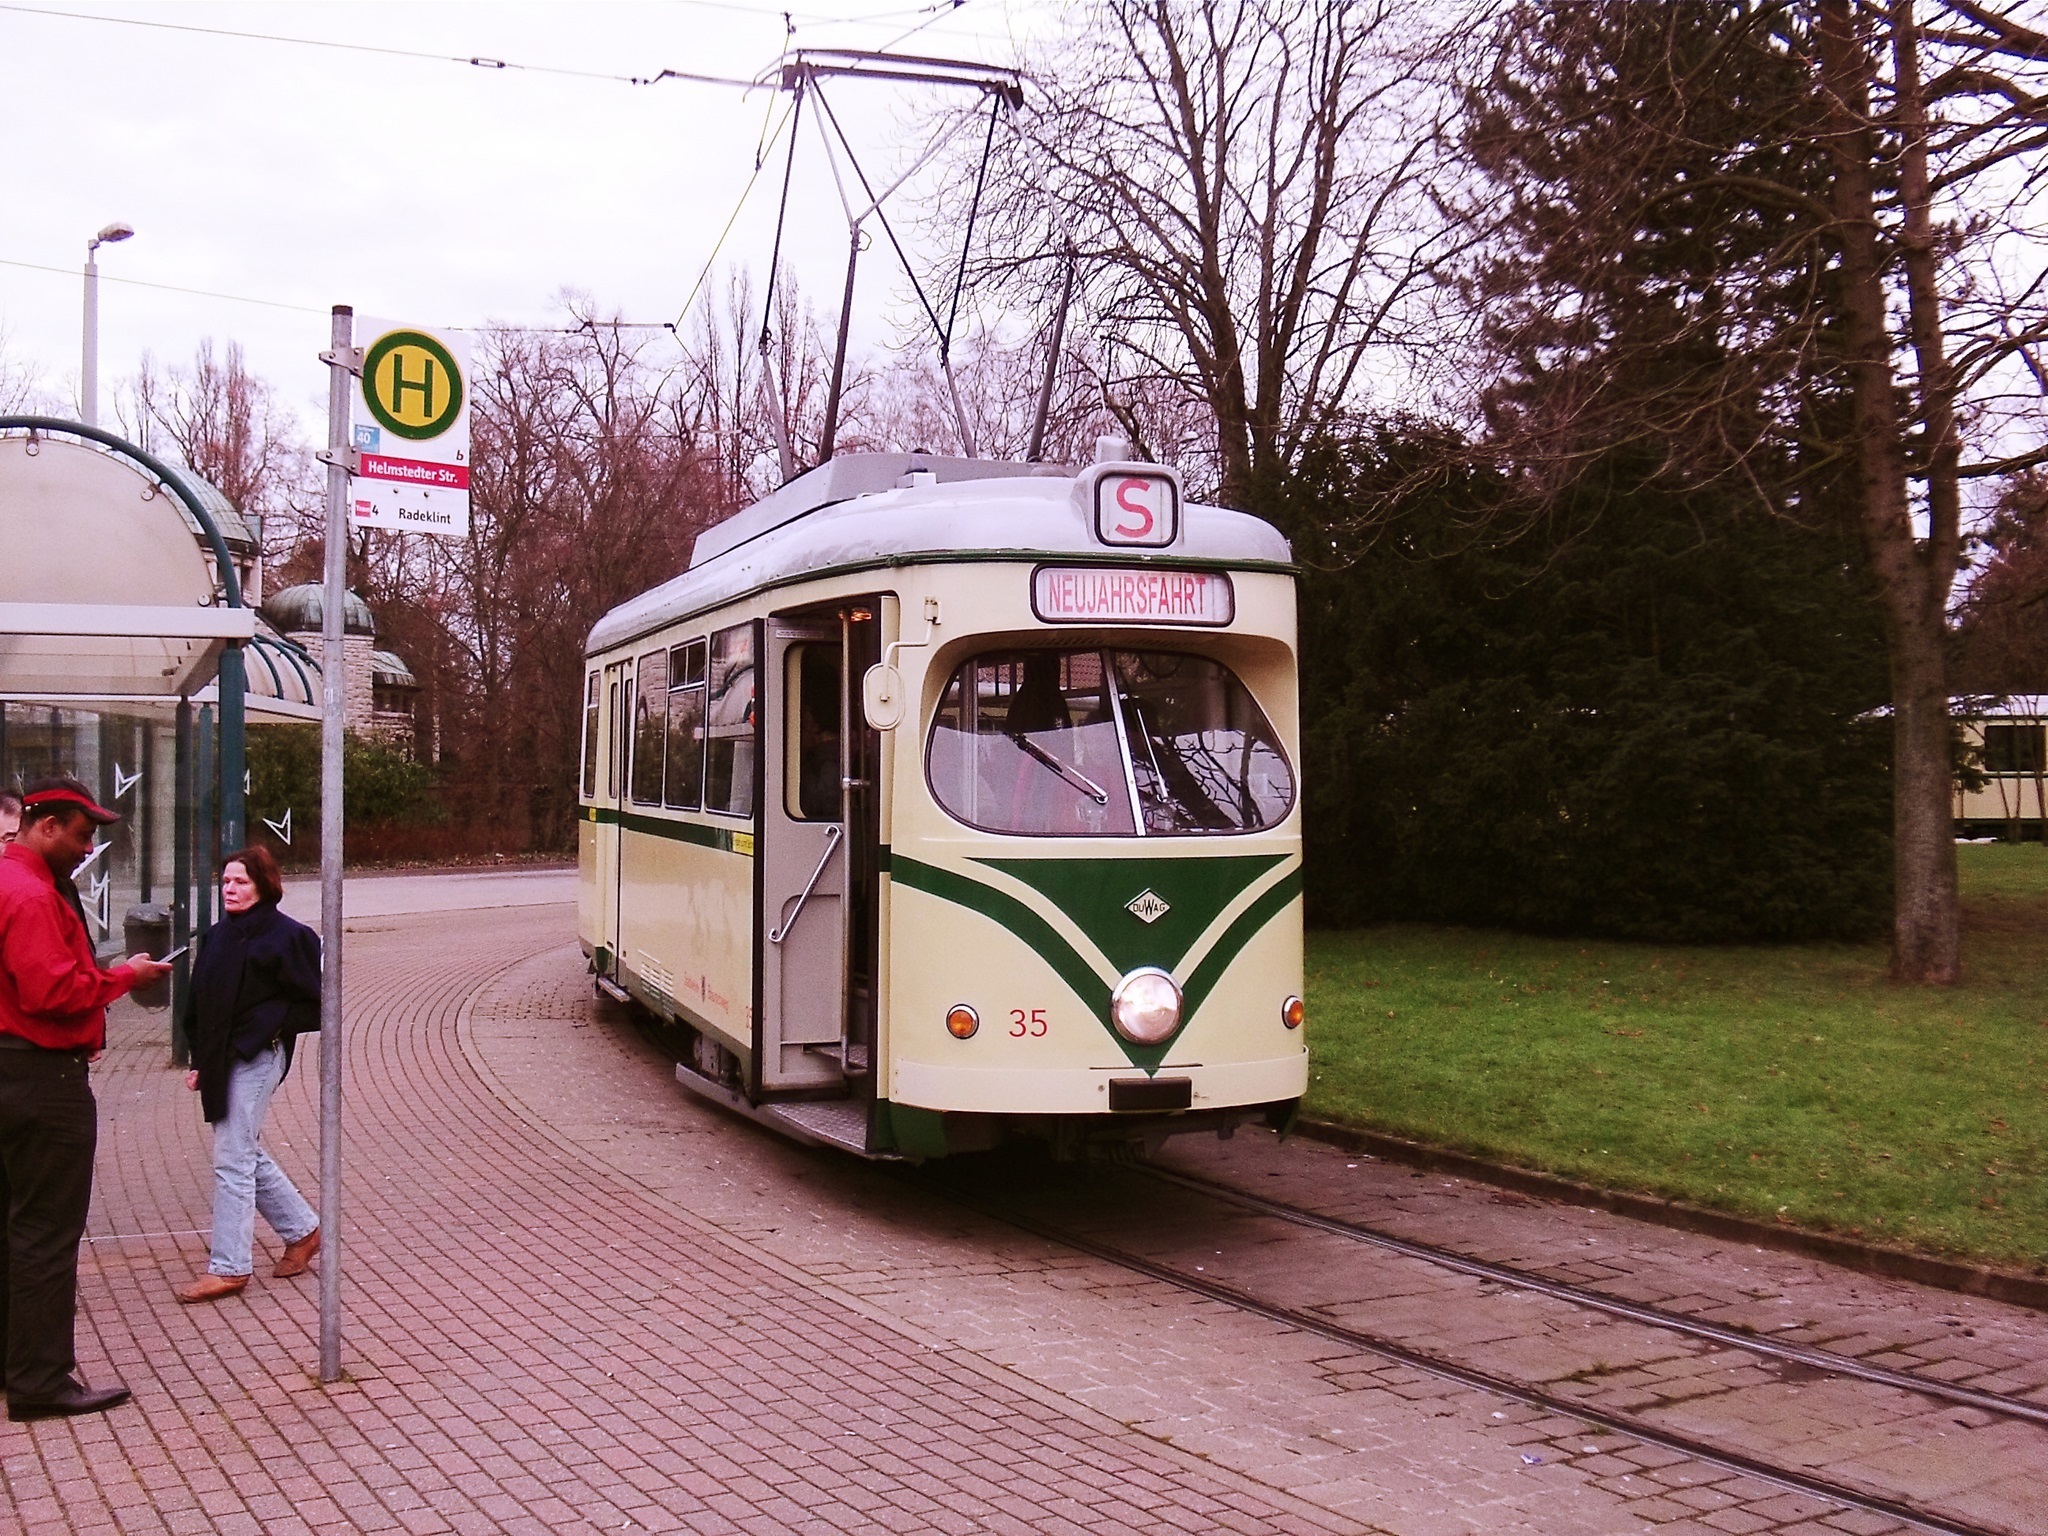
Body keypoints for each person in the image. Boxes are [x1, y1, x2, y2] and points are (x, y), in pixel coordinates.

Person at [0, 775, 172, 1421]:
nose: (85, 849)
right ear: (45, 826)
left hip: (11, 1071)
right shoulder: (31, 894)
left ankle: (14, 1365)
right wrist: (124, 976)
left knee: (13, 1226)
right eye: (79, 835)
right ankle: (40, 1381)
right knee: (46, 1230)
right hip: (43, 1081)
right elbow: (51, 992)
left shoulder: (9, 881)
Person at [177, 845, 320, 1304]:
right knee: (239, 1150)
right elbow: (199, 1004)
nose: (230, 889)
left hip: (259, 1056)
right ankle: (303, 1230)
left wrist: (265, 1029)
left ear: (263, 885)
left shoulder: (289, 937)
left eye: (240, 881)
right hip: (221, 1058)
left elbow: (314, 1002)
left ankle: (230, 1267)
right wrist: (200, 1061)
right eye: (225, 881)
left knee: (232, 1157)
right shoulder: (218, 937)